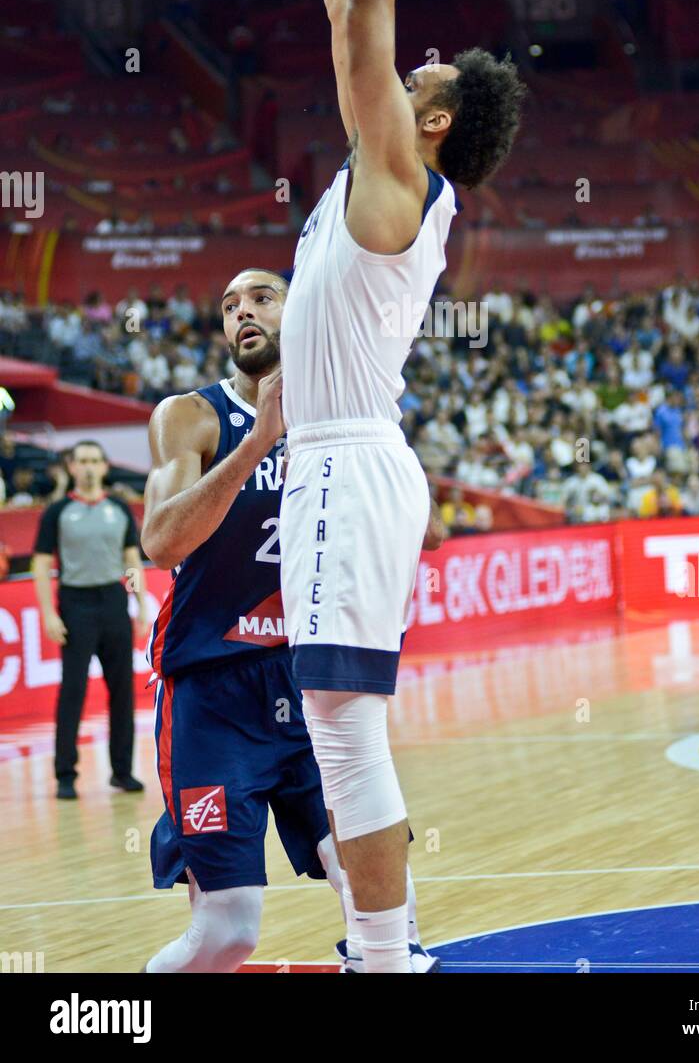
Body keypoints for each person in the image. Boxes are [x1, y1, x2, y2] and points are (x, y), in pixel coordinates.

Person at [278, 0, 525, 973]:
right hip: (350, 461)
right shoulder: (388, 172)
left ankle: (384, 959)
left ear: (432, 120)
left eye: (430, 71)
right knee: (342, 726)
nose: (412, 60)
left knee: (341, 729)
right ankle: (387, 949)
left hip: (346, 462)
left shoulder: (397, 171)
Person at [140, 267, 441, 973]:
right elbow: (161, 542)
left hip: (310, 677)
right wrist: (258, 444)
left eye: (260, 298)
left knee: (379, 891)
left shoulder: (346, 414)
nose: (241, 311)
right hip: (213, 691)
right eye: (228, 303)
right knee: (228, 934)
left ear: (298, 309)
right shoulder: (191, 416)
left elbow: (412, 530)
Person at [32, 440, 147, 800]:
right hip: (75, 603)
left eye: (95, 461)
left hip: (113, 601)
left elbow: (132, 558)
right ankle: (66, 774)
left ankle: (123, 772)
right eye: (82, 461)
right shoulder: (57, 512)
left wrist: (140, 603)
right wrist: (49, 612)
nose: (88, 467)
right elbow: (39, 564)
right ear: (71, 467)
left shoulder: (118, 508)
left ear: (104, 466)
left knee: (122, 690)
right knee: (73, 691)